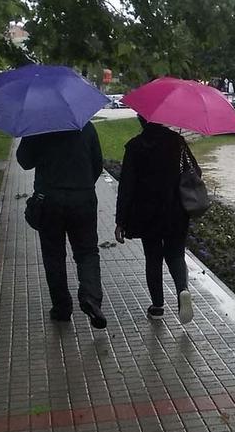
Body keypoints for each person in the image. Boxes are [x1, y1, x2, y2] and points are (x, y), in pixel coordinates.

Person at [16, 122, 107, 329]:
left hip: (49, 200)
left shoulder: (39, 127)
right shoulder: (86, 127)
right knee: (87, 253)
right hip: (83, 199)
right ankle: (91, 299)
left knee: (53, 256)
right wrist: (81, 187)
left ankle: (62, 308)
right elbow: (97, 164)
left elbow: (24, 161)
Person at [114, 117, 194, 323]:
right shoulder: (177, 142)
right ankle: (182, 290)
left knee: (153, 258)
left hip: (147, 214)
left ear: (141, 120)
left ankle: (157, 307)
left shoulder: (134, 146)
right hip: (176, 211)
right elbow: (195, 171)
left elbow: (126, 186)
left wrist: (121, 220)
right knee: (176, 255)